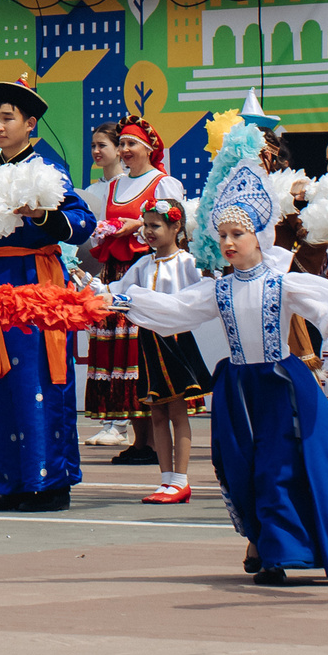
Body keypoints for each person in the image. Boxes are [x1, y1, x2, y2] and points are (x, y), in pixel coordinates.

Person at [109, 164, 328, 584]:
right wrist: (114, 299)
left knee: (277, 468)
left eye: (237, 234)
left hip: (281, 387)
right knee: (240, 467)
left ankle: (278, 553)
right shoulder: (219, 289)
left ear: (260, 236)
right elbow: (175, 310)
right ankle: (259, 540)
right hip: (239, 389)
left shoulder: (284, 283)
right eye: (222, 235)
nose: (227, 242)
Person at [0, 78, 96, 512]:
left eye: (7, 118)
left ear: (30, 124)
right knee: (0, 382)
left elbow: (82, 222)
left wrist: (44, 215)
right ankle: (13, 483)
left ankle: (51, 483)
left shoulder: (46, 172)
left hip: (36, 283)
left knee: (40, 379)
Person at [79, 117, 179, 463]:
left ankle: (155, 443)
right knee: (121, 357)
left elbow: (176, 227)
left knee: (142, 353)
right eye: (121, 143)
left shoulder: (163, 183)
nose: (124, 150)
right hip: (116, 274)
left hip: (146, 274)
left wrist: (139, 226)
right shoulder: (115, 186)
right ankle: (140, 441)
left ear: (149, 149)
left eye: (131, 143)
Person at [123, 197, 212, 501]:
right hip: (148, 340)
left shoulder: (187, 262)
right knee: (157, 412)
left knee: (177, 411)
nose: (148, 231)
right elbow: (119, 291)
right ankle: (165, 479)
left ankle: (181, 479)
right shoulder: (142, 264)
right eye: (145, 225)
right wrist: (91, 286)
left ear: (176, 227)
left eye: (155, 225)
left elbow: (203, 291)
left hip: (174, 339)